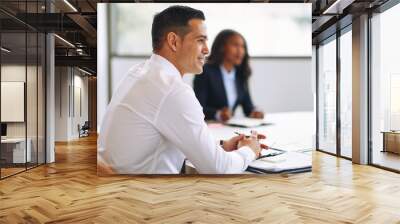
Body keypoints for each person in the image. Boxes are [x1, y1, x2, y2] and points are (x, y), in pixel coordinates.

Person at [98, 6, 266, 174]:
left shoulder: (138, 72)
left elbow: (172, 134)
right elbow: (219, 169)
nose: (207, 49)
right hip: (146, 196)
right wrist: (250, 150)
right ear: (174, 41)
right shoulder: (172, 91)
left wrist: (221, 146)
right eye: (200, 40)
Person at [193, 29, 264, 122]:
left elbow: (248, 107)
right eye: (235, 45)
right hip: (210, 126)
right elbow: (198, 108)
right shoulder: (206, 71)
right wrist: (218, 114)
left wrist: (255, 111)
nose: (240, 51)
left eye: (243, 47)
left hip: (229, 128)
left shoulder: (240, 74)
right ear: (222, 47)